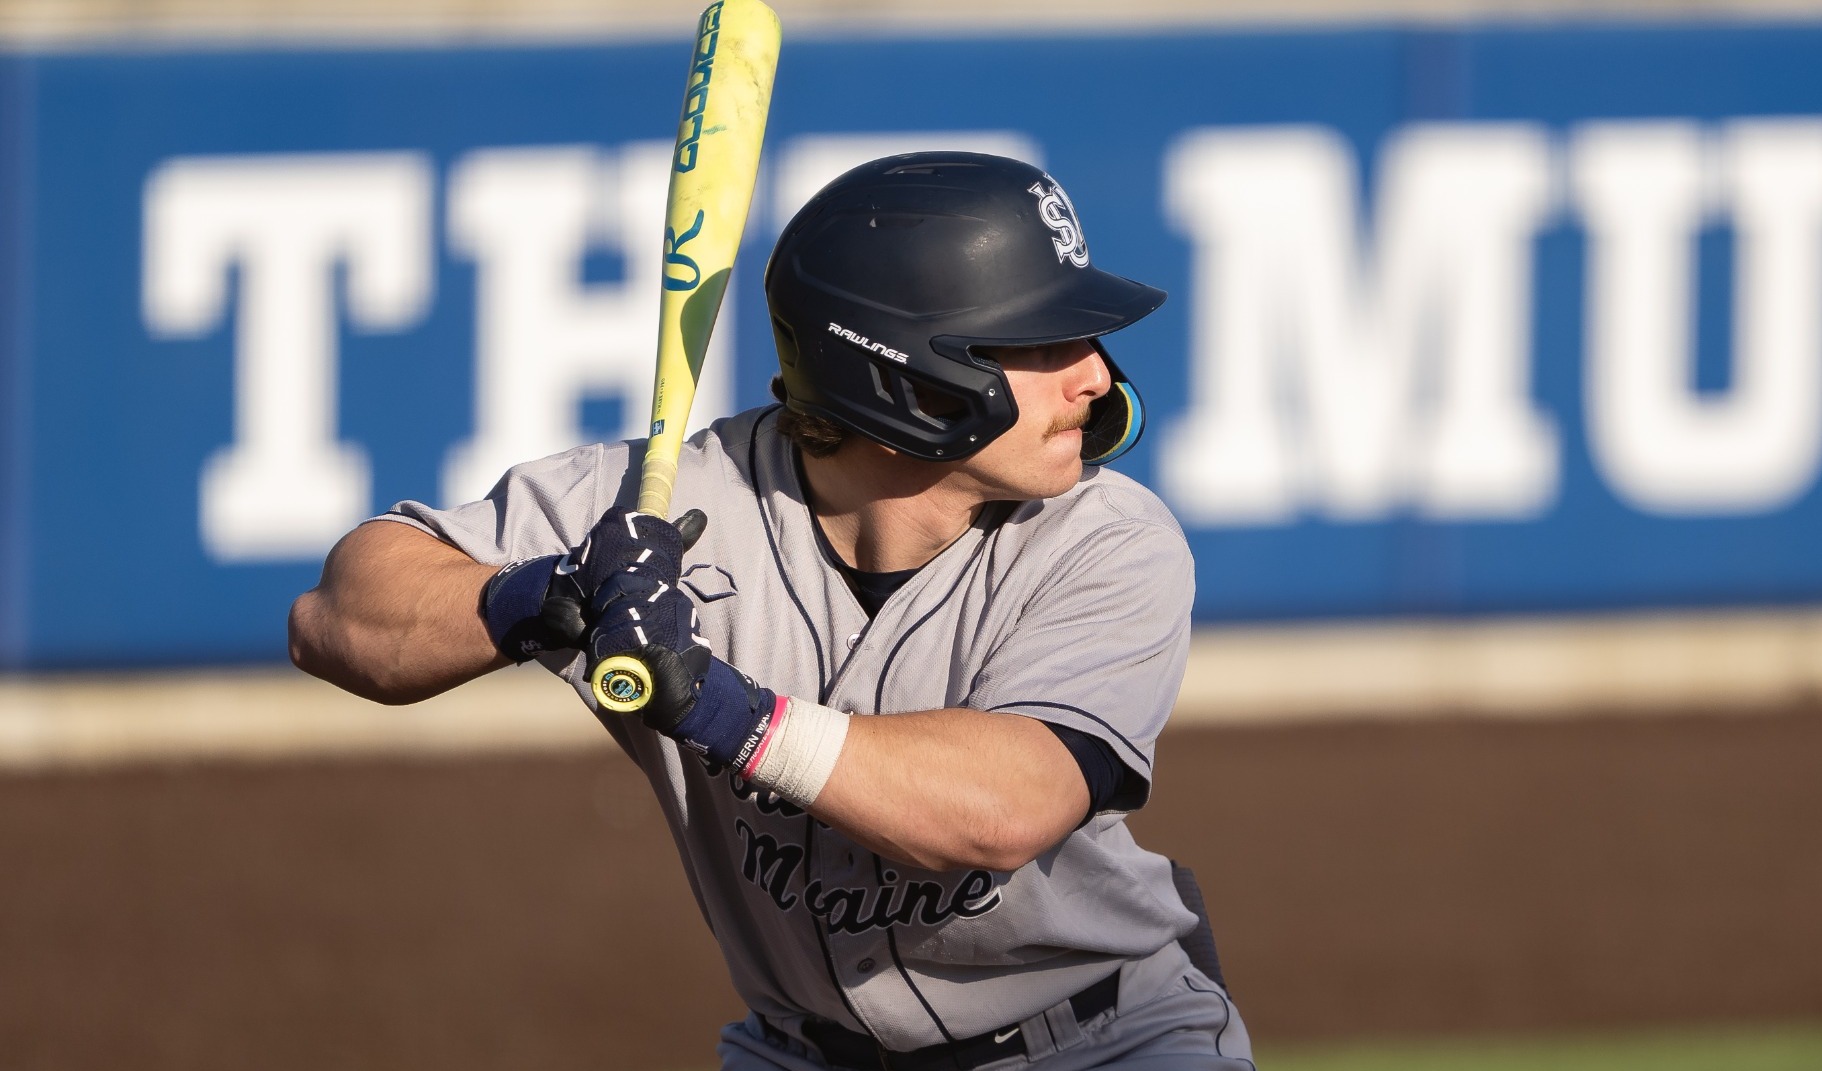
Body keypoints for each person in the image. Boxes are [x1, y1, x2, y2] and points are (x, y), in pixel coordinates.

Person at [289, 151, 1254, 1070]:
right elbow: (338, 613)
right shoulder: (670, 501)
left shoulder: (1110, 539)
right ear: (907, 376)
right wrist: (542, 594)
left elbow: (1003, 809)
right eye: (1040, 341)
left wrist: (714, 704)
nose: (1094, 374)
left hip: (1100, 1041)